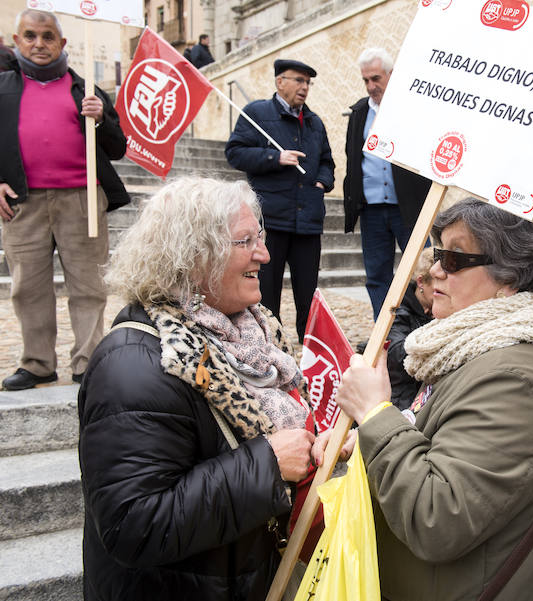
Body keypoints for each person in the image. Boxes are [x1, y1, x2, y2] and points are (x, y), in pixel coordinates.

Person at [78, 177, 338, 601]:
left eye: (262, 237)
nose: (265, 254)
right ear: (193, 256)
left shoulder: (258, 339)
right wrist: (268, 465)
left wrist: (314, 447)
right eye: (245, 241)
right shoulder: (134, 365)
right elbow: (133, 525)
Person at [331, 198, 533, 600]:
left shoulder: (514, 379)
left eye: (455, 258)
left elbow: (436, 518)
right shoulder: (474, 348)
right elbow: (441, 443)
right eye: (438, 253)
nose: (436, 269)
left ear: (509, 279)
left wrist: (375, 415)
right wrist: (366, 442)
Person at [0, 9, 130, 391]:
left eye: (47, 36)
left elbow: (117, 147)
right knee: (28, 286)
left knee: (88, 284)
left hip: (83, 199)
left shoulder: (85, 90)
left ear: (62, 43)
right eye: (30, 36)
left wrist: (102, 117)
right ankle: (37, 363)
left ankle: (88, 360)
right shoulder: (3, 88)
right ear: (17, 40)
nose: (39, 44)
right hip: (24, 204)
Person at [226, 58, 335, 342]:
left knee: (307, 292)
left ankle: (311, 347)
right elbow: (235, 152)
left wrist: (323, 182)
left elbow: (327, 161)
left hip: (308, 219)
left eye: (308, 82)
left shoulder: (314, 122)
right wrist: (276, 157)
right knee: (267, 290)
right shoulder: (257, 113)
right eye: (298, 80)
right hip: (272, 218)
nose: (304, 87)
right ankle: (268, 344)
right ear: (280, 82)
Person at [343, 47, 432, 318]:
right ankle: (385, 332)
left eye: (376, 79)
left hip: (408, 208)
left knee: (424, 271)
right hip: (371, 210)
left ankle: (425, 324)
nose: (371, 86)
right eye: (366, 80)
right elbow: (352, 157)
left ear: (391, 75)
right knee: (377, 275)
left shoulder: (412, 107)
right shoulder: (359, 112)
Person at [385, 247, 434, 409]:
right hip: (401, 398)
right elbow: (397, 352)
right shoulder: (396, 310)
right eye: (438, 286)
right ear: (421, 282)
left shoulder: (439, 308)